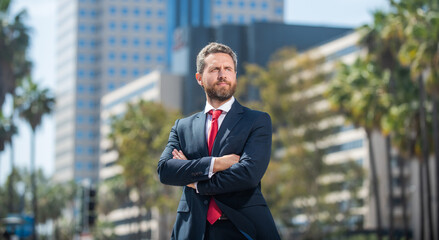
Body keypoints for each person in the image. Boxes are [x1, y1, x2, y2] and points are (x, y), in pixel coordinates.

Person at [158, 42, 280, 240]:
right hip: (192, 231)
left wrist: (196, 182)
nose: (223, 74)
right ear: (199, 78)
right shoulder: (182, 126)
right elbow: (165, 170)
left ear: (234, 75)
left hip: (243, 229)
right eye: (215, 69)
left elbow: (248, 174)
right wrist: (217, 163)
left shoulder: (257, 120)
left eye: (228, 69)